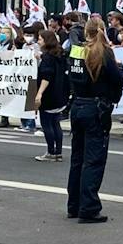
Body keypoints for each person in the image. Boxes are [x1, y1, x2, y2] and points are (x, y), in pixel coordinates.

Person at [64, 18, 123, 223]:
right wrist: (120, 67)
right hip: (96, 108)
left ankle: (74, 205)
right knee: (94, 159)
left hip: (78, 105)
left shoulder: (77, 50)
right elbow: (117, 78)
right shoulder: (103, 52)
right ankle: (89, 207)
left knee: (77, 159)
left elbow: (72, 73)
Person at [29, 19, 69, 161]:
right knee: (56, 123)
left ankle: (50, 152)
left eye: (40, 39)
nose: (38, 41)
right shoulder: (60, 54)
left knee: (47, 124)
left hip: (49, 94)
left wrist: (39, 93)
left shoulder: (47, 58)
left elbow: (46, 76)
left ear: (46, 41)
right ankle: (58, 151)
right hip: (60, 93)